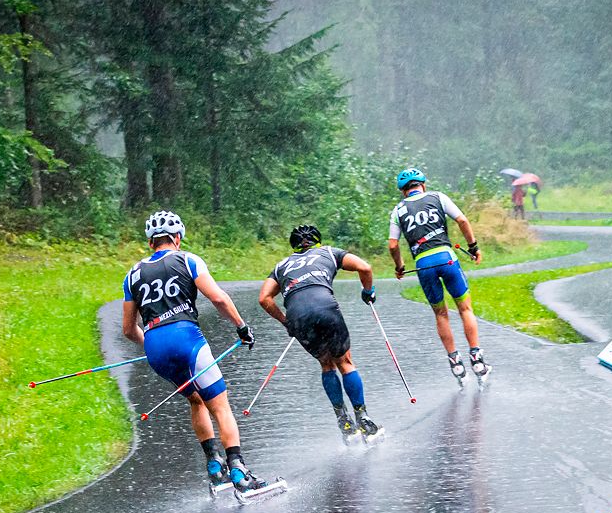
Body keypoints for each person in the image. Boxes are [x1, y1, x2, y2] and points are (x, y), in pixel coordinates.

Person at [122, 210, 271, 495]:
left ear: (151, 241)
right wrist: (242, 326)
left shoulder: (132, 274)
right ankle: (239, 471)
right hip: (186, 339)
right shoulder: (187, 259)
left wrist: (152, 349)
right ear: (176, 237)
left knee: (196, 400)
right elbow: (217, 297)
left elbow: (129, 330)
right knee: (219, 404)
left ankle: (215, 468)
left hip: (155, 344)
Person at [258, 224, 384, 444]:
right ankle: (363, 419)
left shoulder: (281, 266)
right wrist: (368, 292)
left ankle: (344, 422)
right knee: (345, 363)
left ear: (294, 246)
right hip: (326, 307)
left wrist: (286, 322)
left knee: (327, 365)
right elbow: (365, 267)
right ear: (317, 240)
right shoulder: (328, 252)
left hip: (297, 315)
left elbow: (264, 299)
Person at [388, 167, 490, 387]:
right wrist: (473, 247)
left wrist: (399, 266)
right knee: (465, 309)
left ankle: (455, 361)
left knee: (441, 314)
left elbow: (393, 244)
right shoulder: (438, 197)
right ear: (422, 184)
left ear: (403, 191)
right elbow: (462, 220)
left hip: (423, 264)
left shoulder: (398, 210)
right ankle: (477, 358)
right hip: (447, 257)